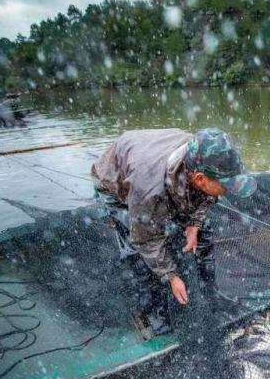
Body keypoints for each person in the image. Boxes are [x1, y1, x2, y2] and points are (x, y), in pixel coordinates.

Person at [91, 128, 256, 314]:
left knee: (202, 230)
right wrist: (171, 275)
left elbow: (209, 196)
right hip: (116, 181)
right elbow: (144, 240)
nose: (228, 190)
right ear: (200, 179)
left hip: (157, 160)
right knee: (137, 248)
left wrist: (194, 224)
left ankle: (210, 292)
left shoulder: (203, 155)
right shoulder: (147, 191)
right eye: (226, 186)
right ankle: (151, 311)